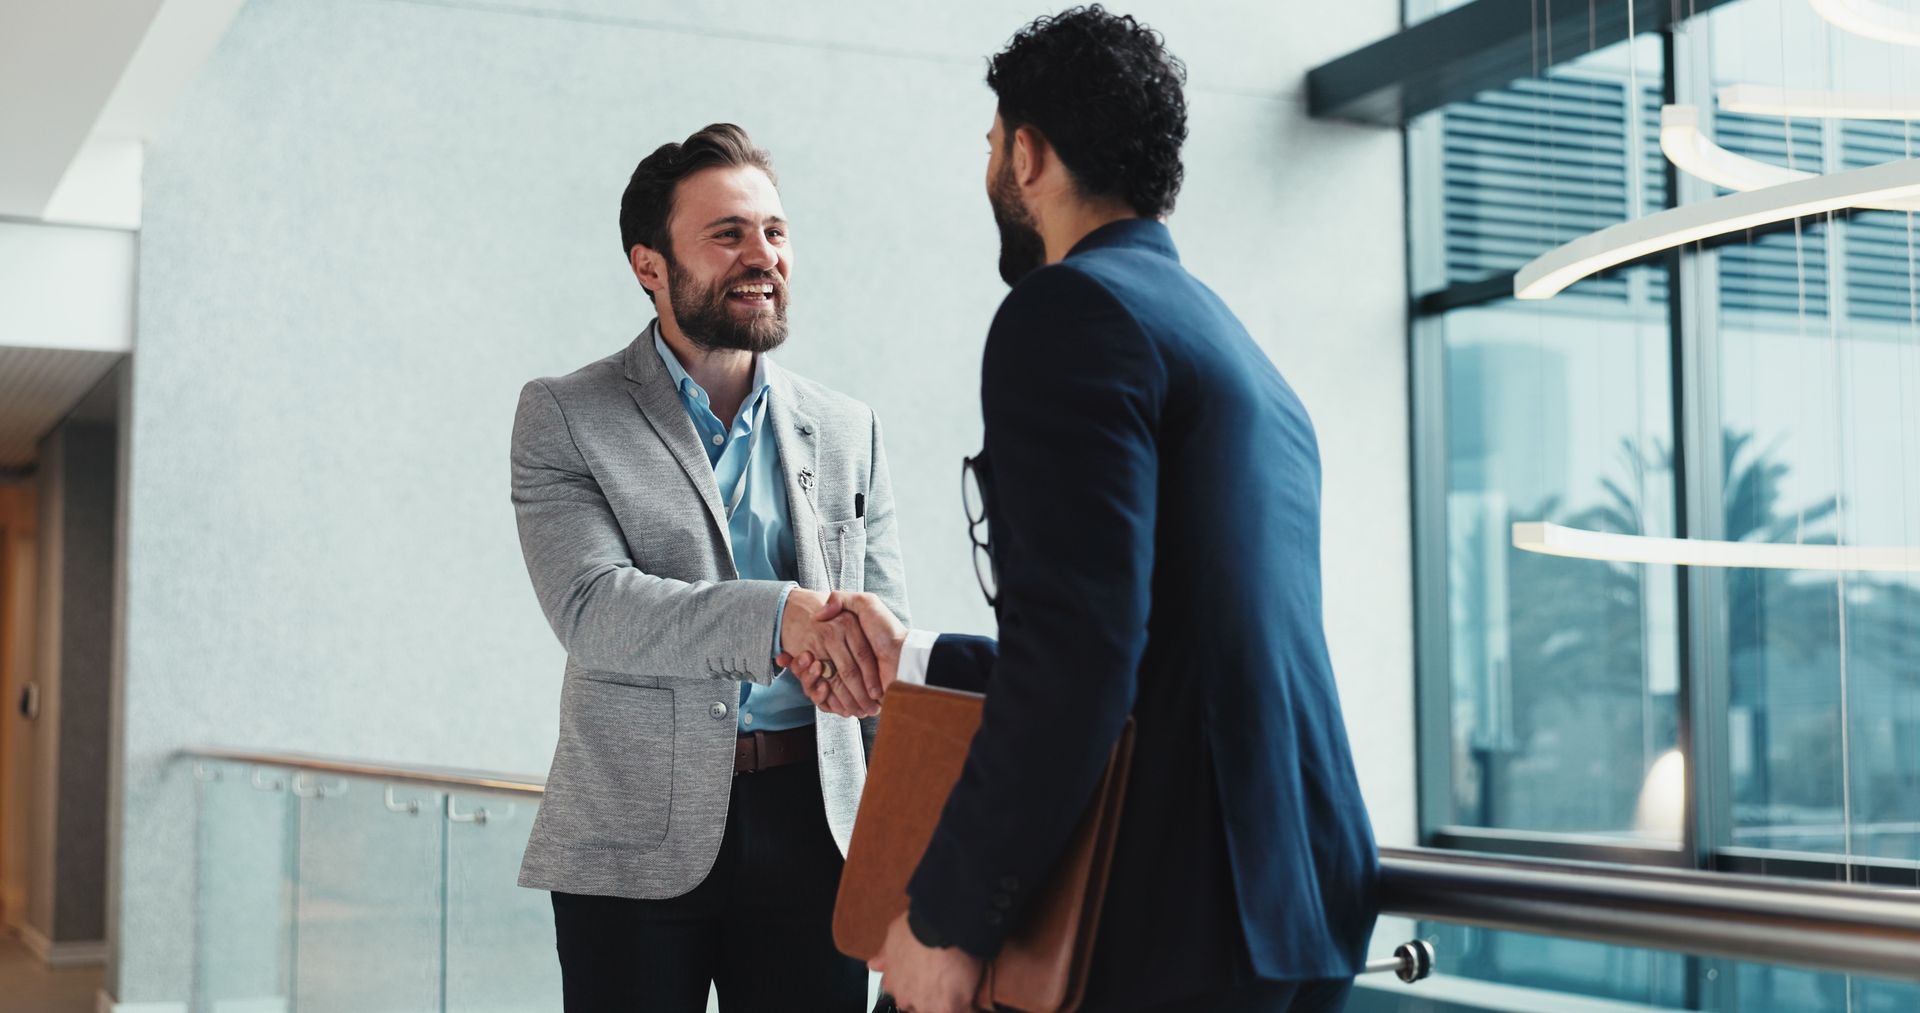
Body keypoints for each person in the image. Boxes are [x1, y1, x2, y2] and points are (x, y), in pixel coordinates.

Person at [786, 9, 1379, 1011]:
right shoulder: (1242, 357)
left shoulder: (1072, 314)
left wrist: (950, 915)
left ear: (1027, 154)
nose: (990, 170)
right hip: (1292, 899)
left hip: (1165, 909)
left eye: (990, 147)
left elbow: (1082, 653)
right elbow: (1170, 649)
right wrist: (917, 657)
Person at [509, 123, 909, 1011]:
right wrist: (782, 617)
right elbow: (594, 607)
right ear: (649, 266)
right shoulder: (566, 414)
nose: (761, 254)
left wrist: (907, 863)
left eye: (773, 230)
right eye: (727, 233)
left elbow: (886, 669)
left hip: (819, 829)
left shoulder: (848, 428)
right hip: (634, 839)